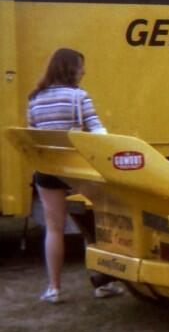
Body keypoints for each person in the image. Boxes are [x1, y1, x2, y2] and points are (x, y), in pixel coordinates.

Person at [27, 48, 123, 303]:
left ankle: (54, 289)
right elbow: (97, 132)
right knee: (93, 227)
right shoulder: (78, 97)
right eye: (80, 67)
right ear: (70, 69)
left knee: (54, 229)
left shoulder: (35, 98)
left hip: (48, 170)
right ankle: (102, 283)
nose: (83, 72)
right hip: (78, 170)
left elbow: (33, 135)